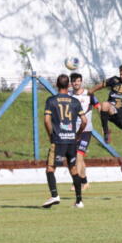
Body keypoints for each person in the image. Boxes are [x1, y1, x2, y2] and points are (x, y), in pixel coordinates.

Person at [41, 74, 87, 209]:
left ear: (56, 84)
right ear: (69, 86)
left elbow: (46, 120)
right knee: (73, 169)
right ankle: (79, 201)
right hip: (71, 141)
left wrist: (51, 134)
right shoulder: (75, 101)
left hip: (58, 140)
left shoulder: (51, 100)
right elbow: (84, 121)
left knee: (50, 168)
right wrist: (77, 134)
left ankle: (54, 195)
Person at [68, 72, 99, 191]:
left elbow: (98, 106)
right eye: (74, 81)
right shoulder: (69, 95)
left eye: (78, 81)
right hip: (72, 131)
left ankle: (76, 183)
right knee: (77, 158)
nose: (76, 83)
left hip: (86, 130)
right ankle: (84, 182)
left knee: (78, 156)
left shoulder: (89, 94)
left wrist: (104, 124)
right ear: (71, 83)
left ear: (81, 81)